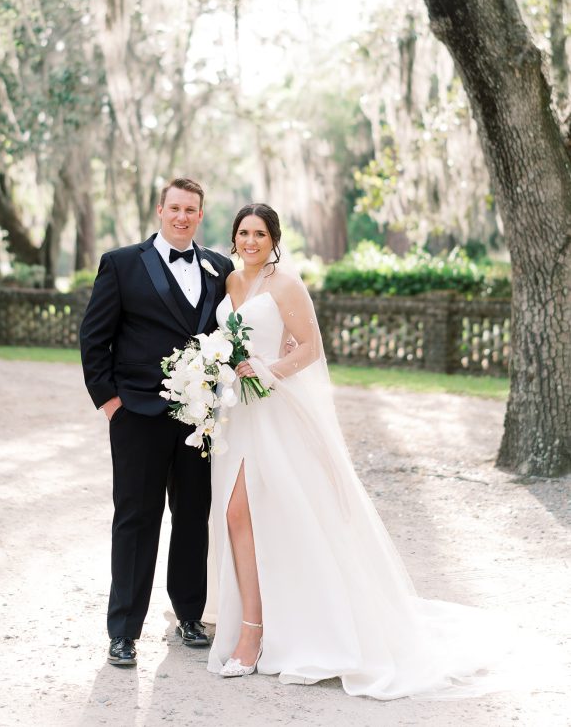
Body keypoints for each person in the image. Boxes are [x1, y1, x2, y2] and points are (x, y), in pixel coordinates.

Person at [207, 202, 527, 698]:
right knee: (241, 517)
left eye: (260, 234)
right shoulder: (229, 285)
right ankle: (257, 620)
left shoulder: (284, 285)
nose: (251, 241)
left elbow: (309, 348)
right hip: (237, 414)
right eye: (244, 233)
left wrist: (267, 373)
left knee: (250, 512)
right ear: (233, 239)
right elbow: (224, 343)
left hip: (274, 412)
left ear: (274, 240)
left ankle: (258, 633)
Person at [80, 177, 234, 668]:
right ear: (159, 210)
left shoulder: (219, 269)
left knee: (193, 518)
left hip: (199, 420)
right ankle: (123, 631)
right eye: (174, 208)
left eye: (191, 209)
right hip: (137, 418)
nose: (182, 216)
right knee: (136, 521)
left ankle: (189, 615)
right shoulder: (122, 263)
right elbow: (93, 338)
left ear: (200, 215)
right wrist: (110, 402)